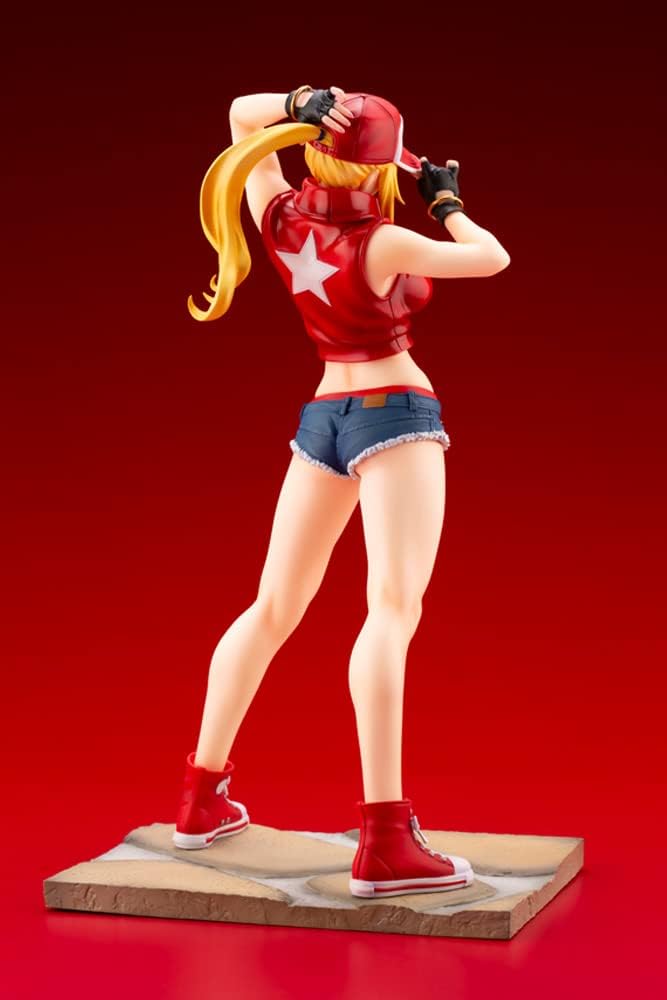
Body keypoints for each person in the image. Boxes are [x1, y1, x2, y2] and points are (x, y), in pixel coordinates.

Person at [173, 86, 511, 899]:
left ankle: (198, 800)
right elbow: (491, 257)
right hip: (395, 411)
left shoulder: (281, 216)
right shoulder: (386, 239)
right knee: (390, 611)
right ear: (383, 168)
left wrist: (296, 98)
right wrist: (448, 201)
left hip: (323, 417)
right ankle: (385, 840)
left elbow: (240, 117)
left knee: (271, 607)